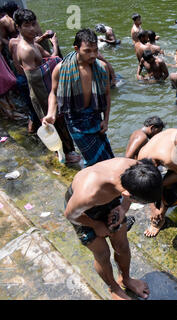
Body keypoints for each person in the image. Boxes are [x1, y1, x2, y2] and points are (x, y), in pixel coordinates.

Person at [64, 157, 163, 300]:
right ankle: (114, 288)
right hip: (82, 212)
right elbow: (70, 215)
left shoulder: (140, 169)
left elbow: (128, 197)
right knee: (102, 253)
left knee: (121, 245)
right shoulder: (88, 194)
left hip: (110, 199)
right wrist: (96, 225)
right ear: (127, 194)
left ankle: (125, 279)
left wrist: (122, 208)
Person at [14, 8, 81, 163]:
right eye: (26, 25)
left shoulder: (33, 44)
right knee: (55, 123)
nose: (32, 28)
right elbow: (35, 78)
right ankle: (66, 153)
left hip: (47, 90)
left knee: (61, 122)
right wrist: (51, 104)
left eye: (33, 24)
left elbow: (51, 57)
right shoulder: (26, 50)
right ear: (18, 27)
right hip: (42, 93)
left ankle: (66, 151)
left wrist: (54, 44)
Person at [42, 28, 115, 167]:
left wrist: (105, 120)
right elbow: (54, 92)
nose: (93, 55)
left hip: (95, 118)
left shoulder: (102, 68)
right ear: (76, 48)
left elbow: (106, 95)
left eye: (95, 50)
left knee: (107, 156)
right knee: (95, 162)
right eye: (87, 51)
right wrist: (51, 113)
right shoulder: (61, 68)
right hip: (75, 122)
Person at [137, 128, 177, 237]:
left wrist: (161, 207)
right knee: (154, 186)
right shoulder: (141, 158)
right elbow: (148, 185)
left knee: (171, 188)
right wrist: (153, 209)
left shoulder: (169, 160)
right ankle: (158, 214)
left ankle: (160, 218)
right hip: (171, 142)